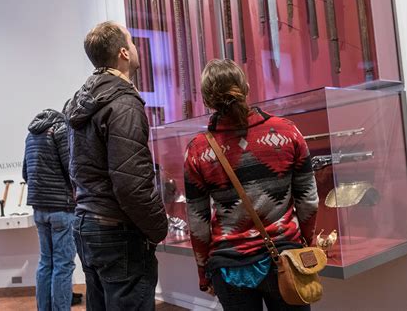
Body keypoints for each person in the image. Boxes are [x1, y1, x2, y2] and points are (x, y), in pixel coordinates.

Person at [184, 59, 319, 310]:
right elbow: (308, 200)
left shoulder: (198, 150)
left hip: (230, 266)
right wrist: (307, 247)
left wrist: (203, 270)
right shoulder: (288, 132)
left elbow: (197, 221)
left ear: (207, 100)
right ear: (246, 87)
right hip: (286, 259)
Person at [65, 21, 168, 310]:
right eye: (133, 42)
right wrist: (159, 227)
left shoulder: (83, 102)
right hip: (116, 230)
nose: (136, 48)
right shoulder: (122, 103)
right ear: (123, 52)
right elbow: (130, 183)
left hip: (88, 224)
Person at [23, 108, 82, 310]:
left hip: (39, 208)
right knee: (63, 265)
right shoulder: (60, 129)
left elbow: (26, 173)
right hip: (61, 208)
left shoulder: (31, 134)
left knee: (46, 262)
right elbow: (71, 169)